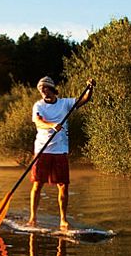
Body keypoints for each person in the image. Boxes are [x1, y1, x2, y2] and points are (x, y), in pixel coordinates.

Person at [28, 76, 95, 230]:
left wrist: (90, 89)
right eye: (40, 89)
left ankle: (63, 220)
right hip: (42, 150)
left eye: (45, 88)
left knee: (63, 186)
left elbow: (83, 100)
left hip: (60, 150)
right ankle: (33, 218)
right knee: (38, 185)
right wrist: (52, 125)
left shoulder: (65, 103)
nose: (43, 92)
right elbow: (38, 121)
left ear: (51, 89)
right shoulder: (38, 105)